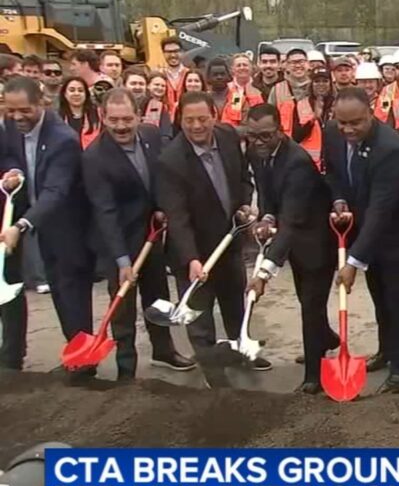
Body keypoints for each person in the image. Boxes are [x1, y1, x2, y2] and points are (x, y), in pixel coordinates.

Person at [82, 88, 191, 378]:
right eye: (114, 120)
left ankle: (164, 351)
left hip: (150, 235)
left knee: (157, 296)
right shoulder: (95, 157)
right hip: (115, 241)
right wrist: (122, 261)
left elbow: (159, 179)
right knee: (123, 307)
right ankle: (126, 367)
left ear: (138, 116)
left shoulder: (151, 137)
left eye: (127, 119)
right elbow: (104, 212)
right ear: (103, 118)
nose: (121, 126)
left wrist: (160, 208)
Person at [325, 88, 399, 389]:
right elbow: (334, 174)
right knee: (379, 297)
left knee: (397, 301)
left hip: (395, 235)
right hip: (363, 229)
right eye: (342, 123)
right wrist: (339, 199)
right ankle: (386, 351)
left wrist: (353, 261)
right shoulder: (332, 133)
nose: (348, 130)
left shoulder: (390, 148)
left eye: (356, 123)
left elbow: (381, 209)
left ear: (371, 114)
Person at [156, 92, 259, 365]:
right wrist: (191, 258)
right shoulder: (171, 160)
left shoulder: (227, 137)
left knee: (236, 306)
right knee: (199, 317)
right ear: (180, 120)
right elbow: (177, 217)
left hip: (229, 242)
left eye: (203, 118)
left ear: (214, 116)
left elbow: (243, 178)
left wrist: (245, 204)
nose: (197, 126)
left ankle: (243, 352)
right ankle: (212, 370)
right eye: (189, 120)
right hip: (195, 252)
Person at [0, 77, 95, 374]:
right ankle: (76, 358)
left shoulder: (62, 139)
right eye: (11, 110)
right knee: (57, 290)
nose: (17, 117)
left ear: (41, 103)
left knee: (72, 295)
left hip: (69, 227)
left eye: (24, 110)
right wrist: (13, 173)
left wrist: (22, 225)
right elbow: (13, 159)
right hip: (39, 222)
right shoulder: (12, 129)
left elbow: (56, 191)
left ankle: (84, 363)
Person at [244, 103, 337, 394]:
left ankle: (314, 376)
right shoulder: (256, 153)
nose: (259, 142)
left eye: (266, 136)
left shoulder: (296, 161)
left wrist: (264, 272)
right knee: (305, 298)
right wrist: (267, 216)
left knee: (311, 305)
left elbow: (293, 220)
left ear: (281, 132)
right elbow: (268, 191)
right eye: (253, 135)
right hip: (293, 236)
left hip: (317, 241)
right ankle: (326, 339)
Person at [268, 49, 323, 167]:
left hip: (315, 154)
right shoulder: (277, 90)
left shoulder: (317, 86)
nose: (298, 65)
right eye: (293, 62)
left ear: (308, 64)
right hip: (286, 151)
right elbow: (270, 119)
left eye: (301, 61)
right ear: (286, 66)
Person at [57, 76, 100, 150]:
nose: (76, 94)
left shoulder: (98, 115)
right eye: (72, 90)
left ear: (86, 94)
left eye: (80, 90)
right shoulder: (56, 117)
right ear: (64, 94)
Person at [142, 71, 174, 140]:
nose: (160, 88)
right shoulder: (142, 104)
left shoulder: (167, 105)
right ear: (148, 86)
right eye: (156, 85)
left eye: (163, 86)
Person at [159, 36, 187, 109]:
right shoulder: (158, 75)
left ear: (182, 52)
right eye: (168, 52)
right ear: (163, 53)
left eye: (176, 51)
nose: (173, 55)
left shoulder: (190, 75)